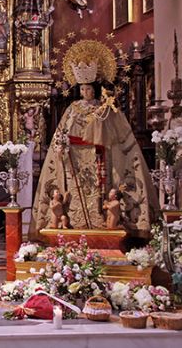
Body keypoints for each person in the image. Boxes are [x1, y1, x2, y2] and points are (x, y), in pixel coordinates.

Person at [30, 60, 158, 240]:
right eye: (82, 89)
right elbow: (61, 134)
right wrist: (62, 146)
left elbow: (116, 136)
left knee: (102, 193)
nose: (85, 93)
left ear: (95, 89)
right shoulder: (72, 110)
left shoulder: (105, 109)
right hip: (75, 159)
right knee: (73, 193)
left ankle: (104, 223)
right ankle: (72, 224)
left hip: (99, 157)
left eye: (88, 89)